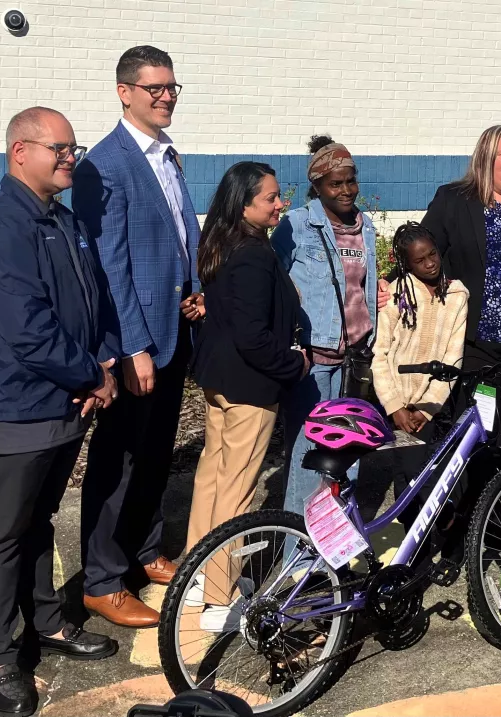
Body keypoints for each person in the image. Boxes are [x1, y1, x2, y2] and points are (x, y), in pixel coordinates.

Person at [0, 107, 120, 717]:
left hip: (64, 400)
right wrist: (92, 375)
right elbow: (27, 329)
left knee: (40, 519)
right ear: (20, 152)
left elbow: (95, 302)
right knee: (4, 532)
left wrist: (102, 364)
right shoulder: (0, 229)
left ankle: (47, 622)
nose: (71, 158)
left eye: (74, 148)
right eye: (60, 148)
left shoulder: (62, 220)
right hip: (15, 405)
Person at [73, 45, 201, 628]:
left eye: (172, 87)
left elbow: (177, 237)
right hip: (138, 342)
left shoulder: (167, 155)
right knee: (118, 459)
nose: (166, 96)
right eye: (155, 88)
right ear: (124, 93)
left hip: (174, 332)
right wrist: (130, 347)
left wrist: (196, 288)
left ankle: (145, 551)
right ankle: (102, 580)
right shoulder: (105, 164)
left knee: (155, 453)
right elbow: (109, 265)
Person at [381, 125, 501, 456]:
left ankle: (498, 489)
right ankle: (468, 488)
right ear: (485, 158)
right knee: (474, 435)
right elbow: (421, 251)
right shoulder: (456, 201)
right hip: (477, 346)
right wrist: (390, 284)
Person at [185, 162, 308, 631]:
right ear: (244, 204)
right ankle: (219, 597)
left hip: (219, 380)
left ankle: (197, 578)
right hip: (249, 387)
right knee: (237, 491)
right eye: (271, 198)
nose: (280, 204)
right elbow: (253, 336)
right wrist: (293, 364)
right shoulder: (254, 254)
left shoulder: (221, 242)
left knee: (213, 478)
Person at [272, 136, 379, 516]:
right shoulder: (298, 225)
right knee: (308, 459)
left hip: (356, 361)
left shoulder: (365, 227)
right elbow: (272, 280)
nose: (346, 190)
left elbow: (362, 286)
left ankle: (337, 541)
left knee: (348, 457)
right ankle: (297, 546)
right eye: (336, 183)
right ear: (317, 186)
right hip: (313, 364)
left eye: (351, 181)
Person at [370, 222, 469, 523]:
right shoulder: (397, 295)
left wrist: (427, 409)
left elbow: (453, 357)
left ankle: (425, 536)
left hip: (429, 405)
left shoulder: (456, 295)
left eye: (432, 254)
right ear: (406, 264)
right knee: (410, 473)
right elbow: (380, 354)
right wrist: (395, 406)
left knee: (417, 473)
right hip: (396, 404)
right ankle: (425, 536)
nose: (429, 263)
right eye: (419, 260)